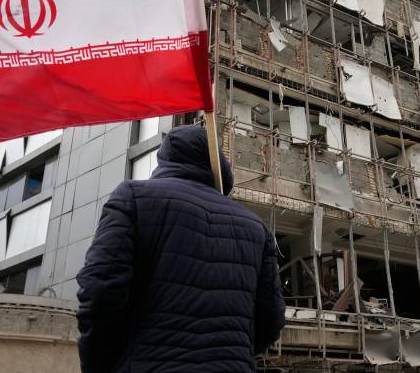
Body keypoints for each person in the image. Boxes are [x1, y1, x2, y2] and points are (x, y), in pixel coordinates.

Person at [76, 124, 286, 372]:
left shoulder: (132, 198)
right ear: (219, 164)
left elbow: (101, 292)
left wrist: (98, 364)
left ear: (166, 159)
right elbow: (271, 320)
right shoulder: (256, 228)